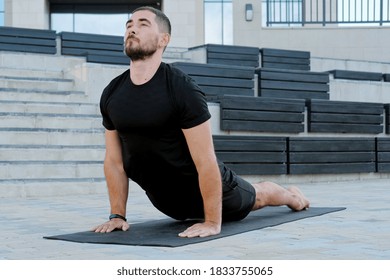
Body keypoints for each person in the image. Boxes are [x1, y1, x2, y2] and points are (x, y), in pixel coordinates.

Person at [92, 6, 309, 238]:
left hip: (216, 195)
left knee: (260, 195)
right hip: (168, 203)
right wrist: (117, 215)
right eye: (129, 25)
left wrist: (213, 222)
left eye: (143, 24)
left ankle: (293, 197)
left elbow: (206, 159)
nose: (132, 29)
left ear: (164, 39)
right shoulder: (112, 93)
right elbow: (114, 161)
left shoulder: (181, 88)